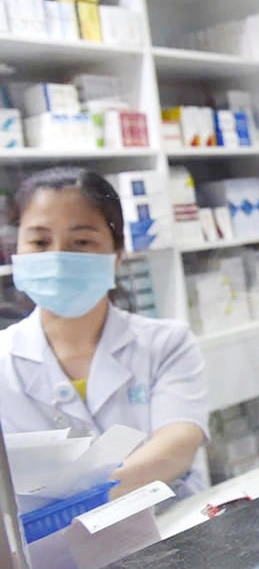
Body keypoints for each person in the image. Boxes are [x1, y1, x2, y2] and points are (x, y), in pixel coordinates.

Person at [0, 168, 208, 499]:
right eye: (39, 241)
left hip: (170, 531)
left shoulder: (166, 343)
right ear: (16, 253)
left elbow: (177, 445)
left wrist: (80, 506)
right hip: (45, 549)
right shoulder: (4, 360)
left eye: (81, 242)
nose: (58, 258)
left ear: (117, 256)